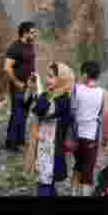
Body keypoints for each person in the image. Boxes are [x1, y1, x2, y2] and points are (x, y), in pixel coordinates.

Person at [30, 62, 74, 197]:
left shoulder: (62, 99)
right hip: (46, 148)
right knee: (46, 183)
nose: (47, 79)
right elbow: (38, 107)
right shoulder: (53, 95)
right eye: (47, 76)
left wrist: (39, 87)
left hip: (52, 151)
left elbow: (41, 110)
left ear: (61, 79)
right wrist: (37, 87)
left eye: (51, 76)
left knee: (45, 184)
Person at [70, 61, 108, 196]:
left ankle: (73, 192)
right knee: (87, 170)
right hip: (91, 137)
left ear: (85, 74)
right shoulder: (103, 93)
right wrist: (105, 137)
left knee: (78, 165)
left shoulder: (76, 89)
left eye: (82, 73)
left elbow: (71, 110)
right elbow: (105, 116)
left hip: (76, 136)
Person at [4, 21, 37, 151]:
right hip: (19, 88)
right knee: (17, 114)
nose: (34, 35)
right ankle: (11, 143)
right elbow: (7, 68)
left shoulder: (30, 45)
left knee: (24, 115)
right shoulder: (15, 47)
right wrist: (17, 83)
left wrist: (34, 82)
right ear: (25, 32)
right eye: (32, 33)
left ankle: (20, 141)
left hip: (29, 87)